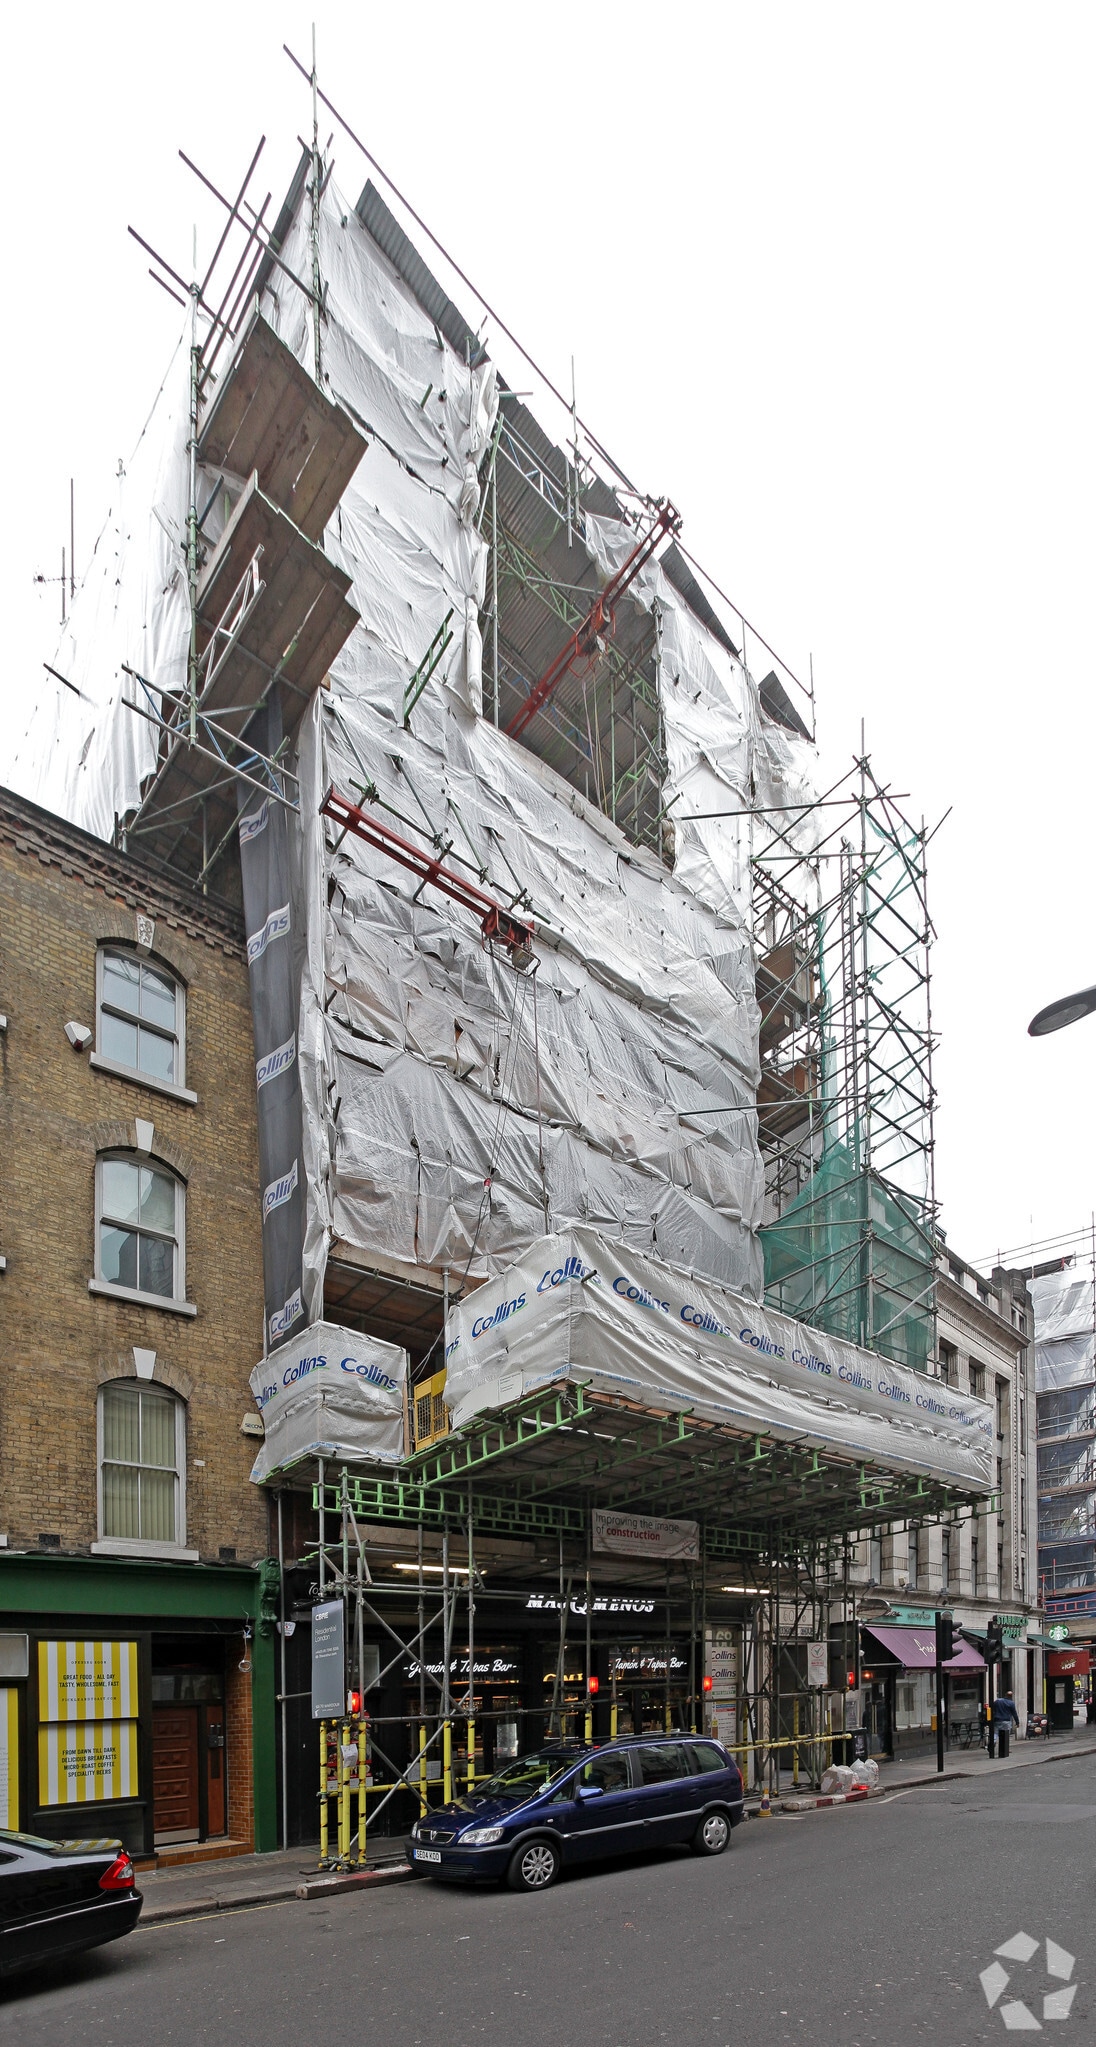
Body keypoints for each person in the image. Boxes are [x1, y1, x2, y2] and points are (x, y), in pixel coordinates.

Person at [992, 1690, 1020, 1758]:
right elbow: (1014, 1713)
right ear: (1011, 1696)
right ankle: (1006, 1748)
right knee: (1006, 1735)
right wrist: (1017, 1722)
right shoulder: (1011, 1703)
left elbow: (992, 1707)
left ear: (1005, 1695)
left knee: (995, 1733)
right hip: (1006, 1720)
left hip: (997, 1720)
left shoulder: (998, 1701)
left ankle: (993, 1742)